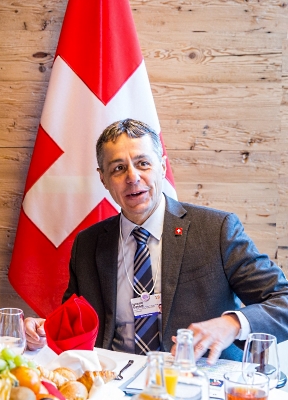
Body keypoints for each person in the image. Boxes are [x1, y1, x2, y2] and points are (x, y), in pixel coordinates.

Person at [24, 119, 288, 363]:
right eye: (118, 168)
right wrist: (43, 331)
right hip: (112, 381)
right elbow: (73, 325)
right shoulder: (88, 244)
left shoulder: (216, 229)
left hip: (192, 380)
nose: (132, 177)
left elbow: (283, 299)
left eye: (143, 163)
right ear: (103, 178)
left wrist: (232, 324)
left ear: (162, 166)